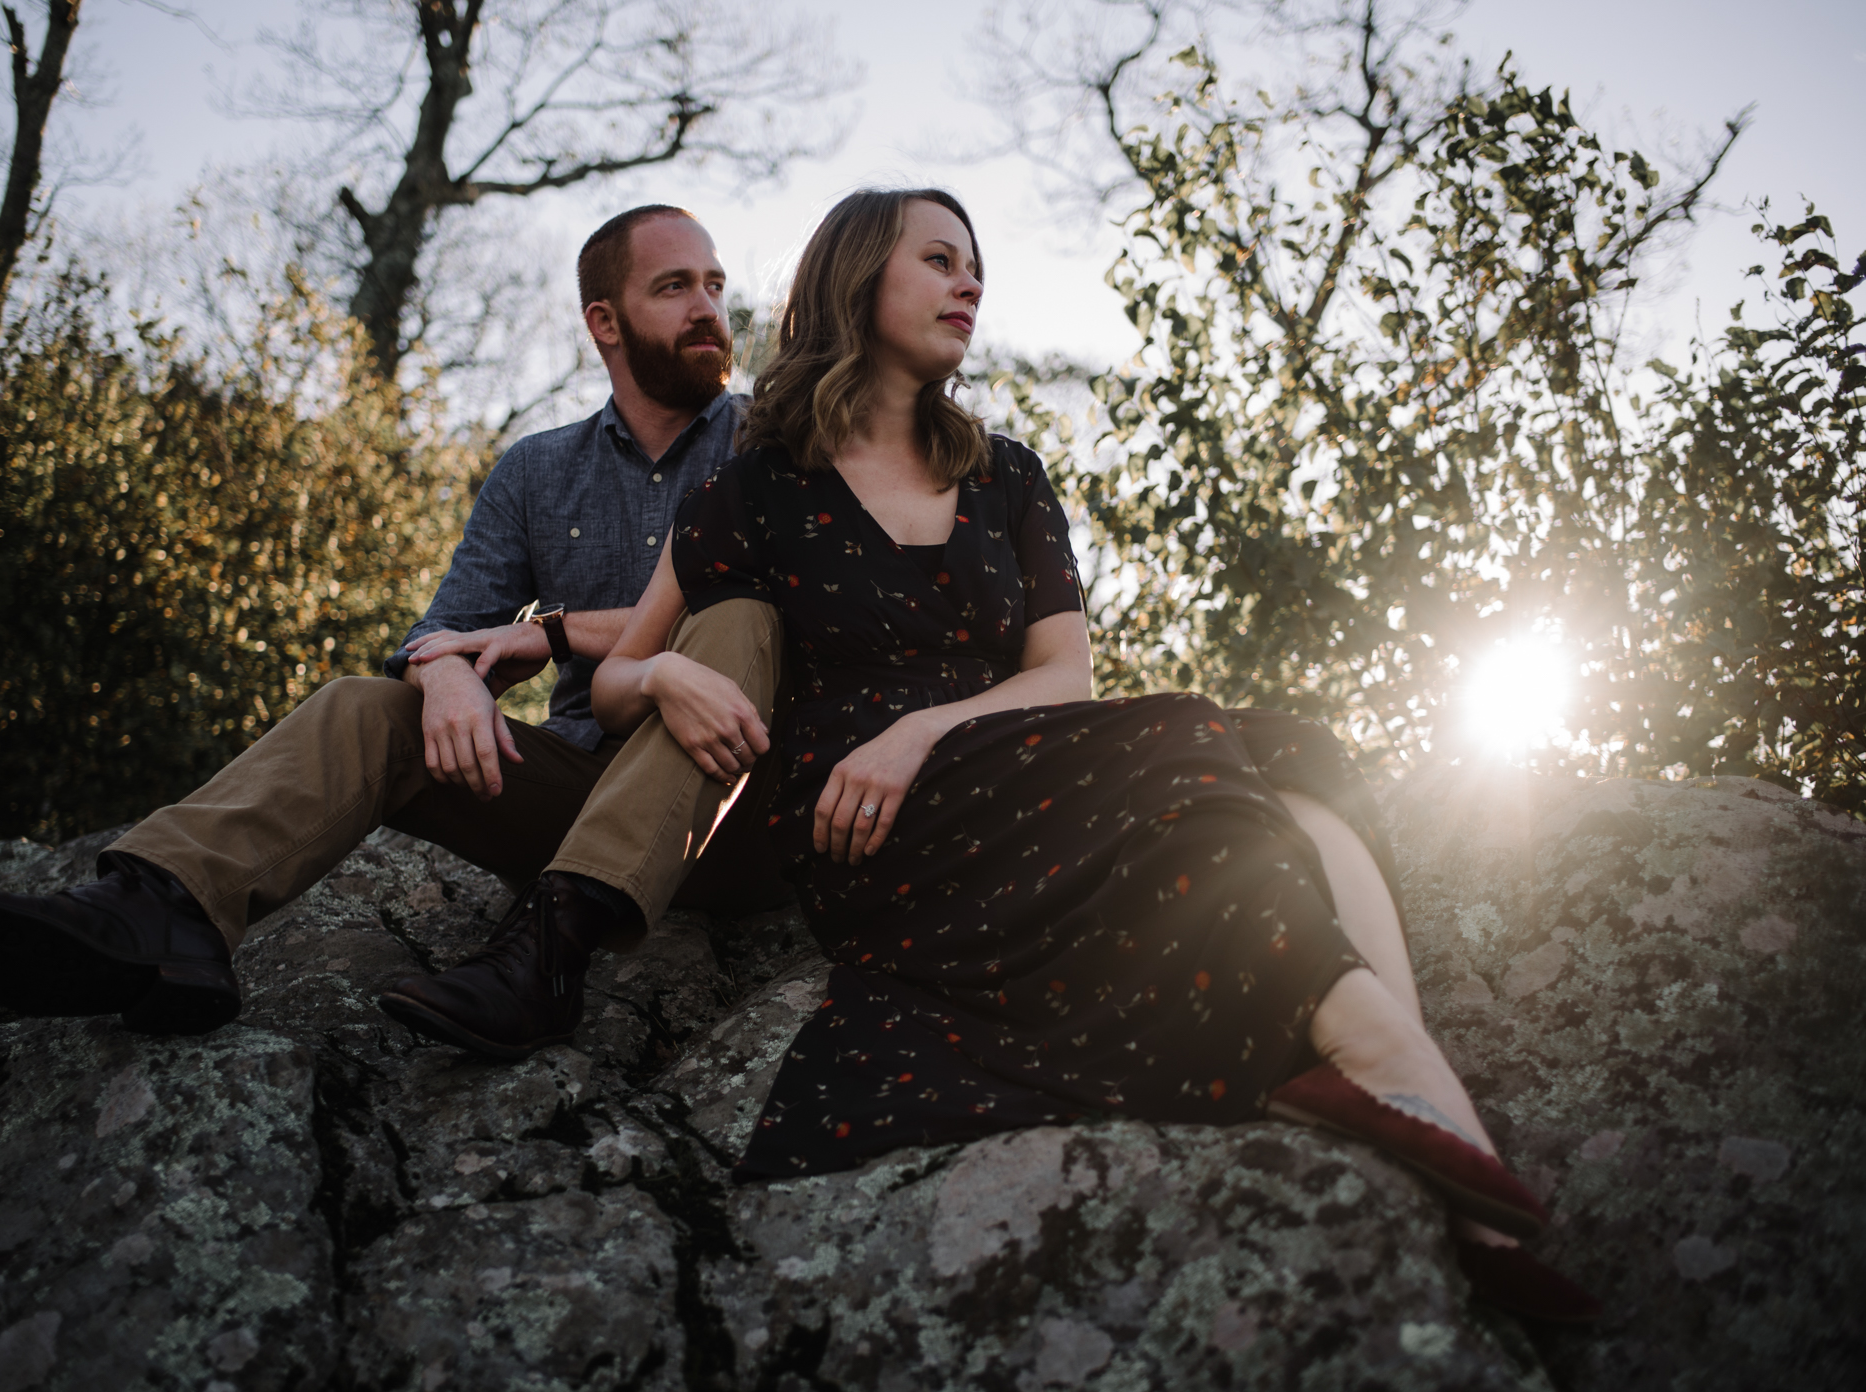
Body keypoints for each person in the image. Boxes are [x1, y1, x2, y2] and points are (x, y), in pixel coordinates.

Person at [589, 187, 1599, 1322]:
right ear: (857, 278)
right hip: (871, 830)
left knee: (1294, 749)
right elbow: (616, 674)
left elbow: (1061, 678)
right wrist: (671, 671)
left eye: (976, 264)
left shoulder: (1007, 474)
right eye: (939, 260)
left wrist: (920, 729)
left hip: (1004, 769)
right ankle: (1387, 1079)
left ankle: (1415, 1099)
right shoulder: (756, 481)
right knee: (1184, 726)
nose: (971, 283)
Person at [0, 204, 789, 1061]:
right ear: (604, 321)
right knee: (364, 708)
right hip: (579, 799)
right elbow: (440, 629)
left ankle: (544, 956)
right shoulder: (536, 469)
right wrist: (440, 674)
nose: (708, 308)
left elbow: (793, 604)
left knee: (734, 616)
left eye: (713, 284)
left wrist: (555, 634)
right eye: (674, 286)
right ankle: (158, 908)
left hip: (733, 804)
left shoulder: (774, 439)